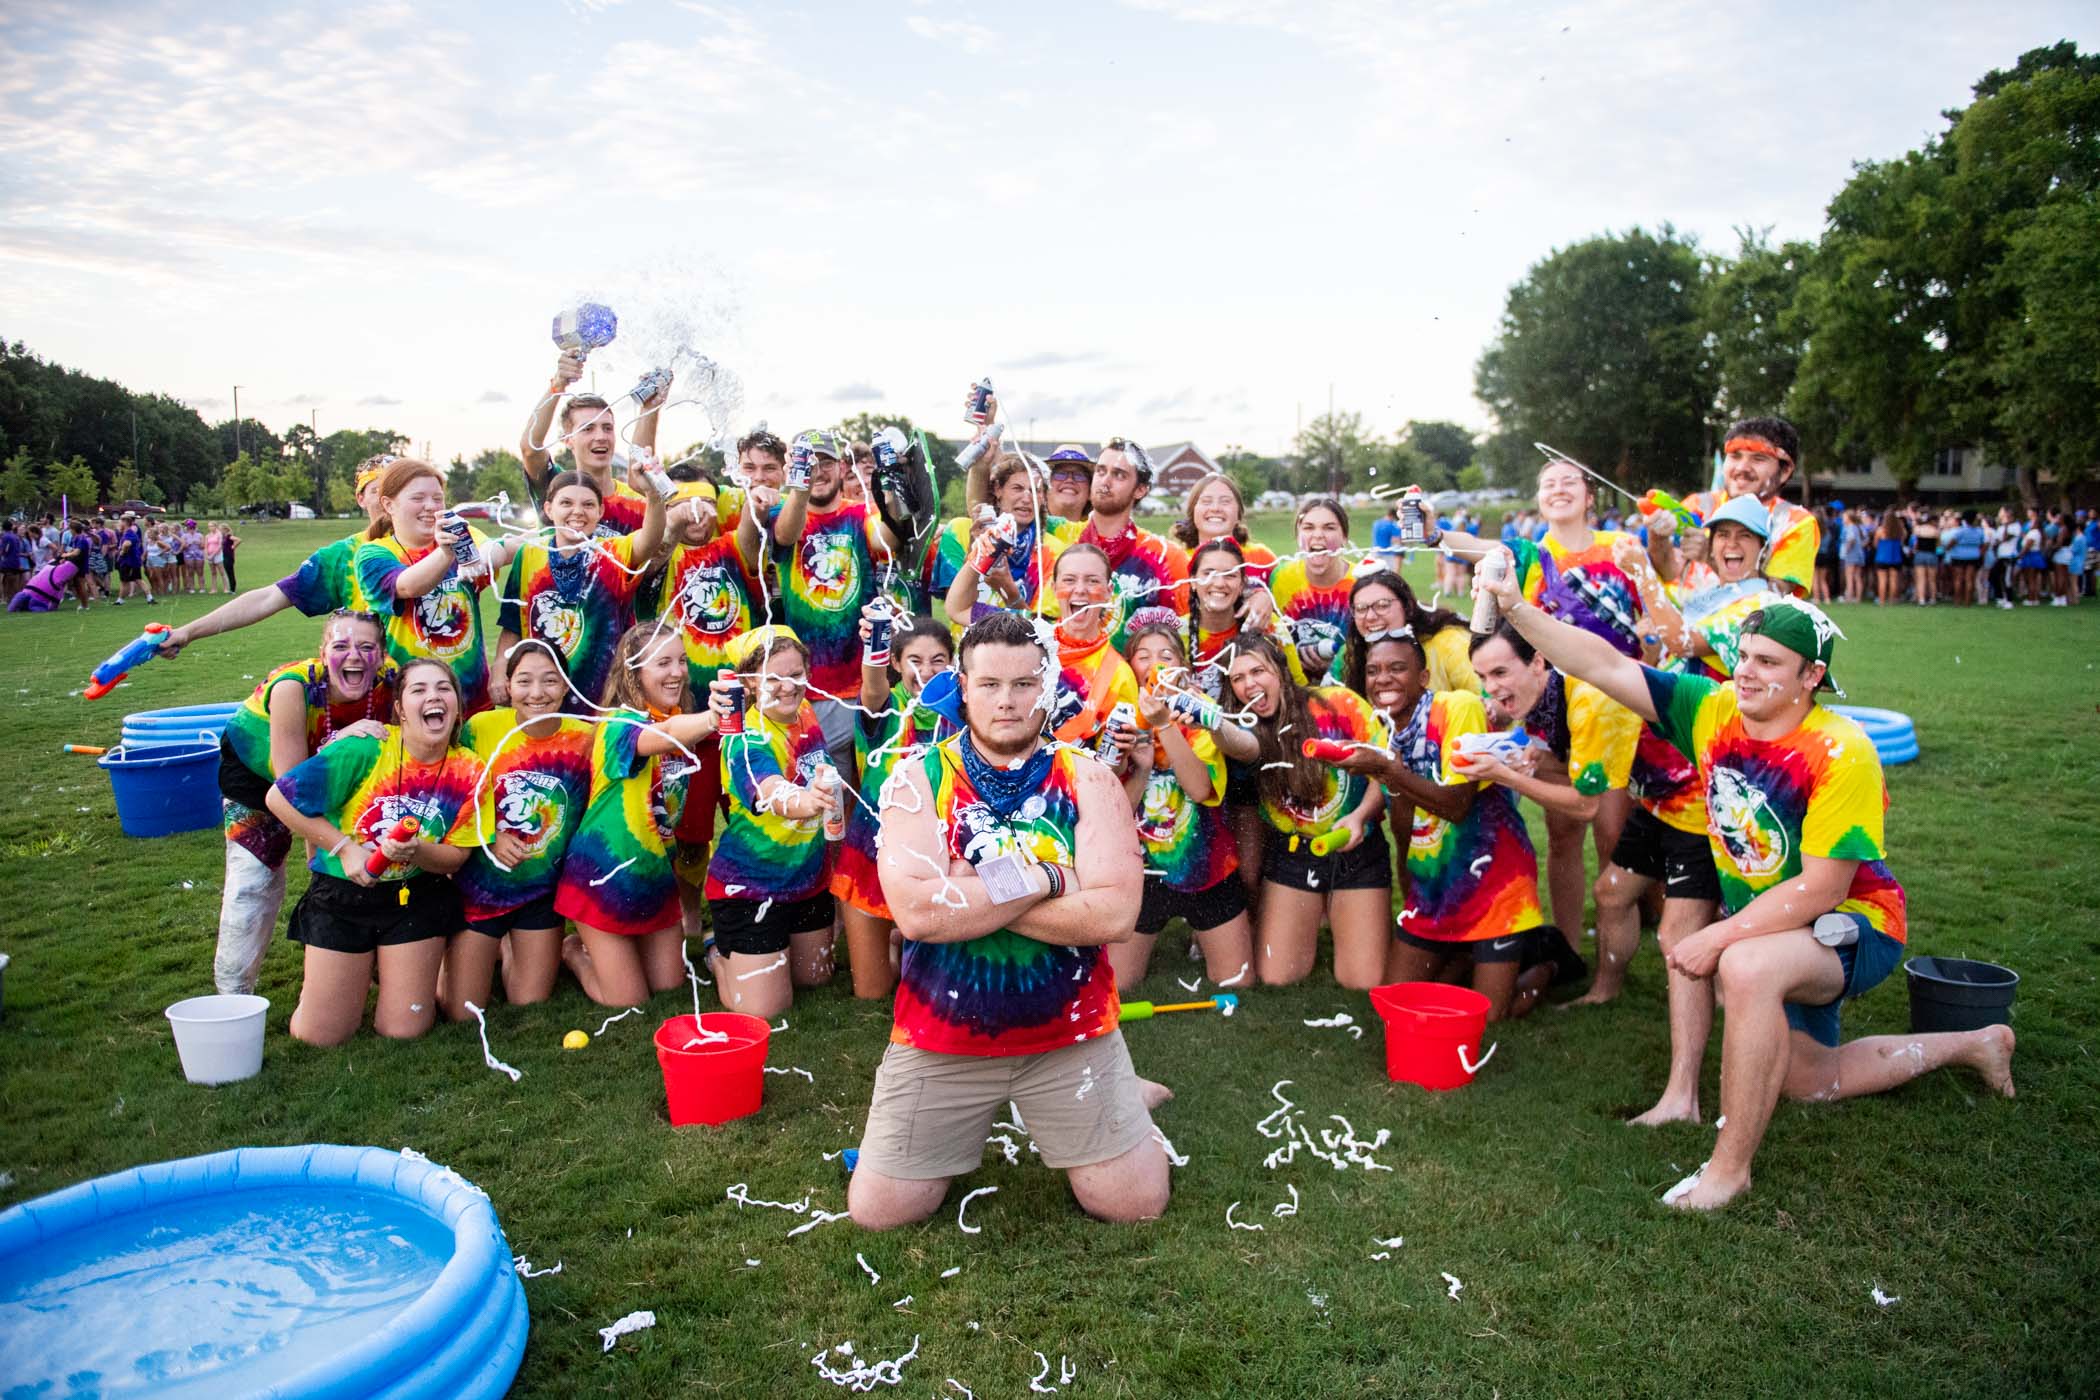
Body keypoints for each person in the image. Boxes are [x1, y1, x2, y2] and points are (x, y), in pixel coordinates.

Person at [1479, 579, 2016, 1209]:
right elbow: (1601, 662)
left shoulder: (1841, 751)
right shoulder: (1711, 709)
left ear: (1812, 675)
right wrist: (1516, 609)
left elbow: (1823, 886)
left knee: (1745, 966)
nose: (1748, 673)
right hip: (1781, 924)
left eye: (1768, 662)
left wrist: (1720, 933)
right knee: (1810, 1080)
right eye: (1743, 655)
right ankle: (1977, 1044)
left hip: (1857, 922)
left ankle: (1729, 1170)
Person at [849, 610, 1165, 1230]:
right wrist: (1048, 878)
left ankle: (1130, 1095)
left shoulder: (1090, 778)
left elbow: (1116, 913)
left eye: (1024, 684)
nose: (1007, 701)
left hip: (1069, 1034)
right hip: (943, 1034)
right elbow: (916, 914)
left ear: (1045, 688)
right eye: (990, 685)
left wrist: (971, 890)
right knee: (880, 1214)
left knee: (1133, 1205)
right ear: (962, 687)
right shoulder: (918, 777)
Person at [1577, 497, 1782, 1014]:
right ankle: (1606, 991)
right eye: (1723, 536)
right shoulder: (1715, 593)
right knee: (1611, 893)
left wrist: (1642, 570)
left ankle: (1712, 1034)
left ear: (1764, 548)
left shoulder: (1754, 607)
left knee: (1679, 934)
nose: (1731, 546)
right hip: (1664, 786)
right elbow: (1666, 637)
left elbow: (1678, 636)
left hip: (1703, 795)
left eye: (1744, 537)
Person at [264, 659, 483, 1045]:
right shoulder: (365, 749)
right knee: (319, 1036)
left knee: (404, 1029)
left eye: (443, 689)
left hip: (415, 898)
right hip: (342, 895)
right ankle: (354, 972)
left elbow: (457, 857)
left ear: (458, 705)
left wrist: (414, 852)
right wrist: (345, 848)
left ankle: (398, 970)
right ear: (399, 708)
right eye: (418, 690)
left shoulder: (470, 769)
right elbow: (279, 798)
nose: (433, 696)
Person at [1339, 630, 1549, 1019]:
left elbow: (1456, 805)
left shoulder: (1459, 707)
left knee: (1487, 1018)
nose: (1383, 678)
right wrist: (1416, 896)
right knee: (1395, 1005)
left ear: (1423, 678)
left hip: (1495, 885)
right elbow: (1404, 831)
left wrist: (1387, 771)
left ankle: (1547, 966)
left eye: (1397, 668)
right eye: (1374, 671)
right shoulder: (1385, 735)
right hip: (1436, 889)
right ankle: (1467, 957)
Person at [213, 611, 396, 995]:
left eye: (366, 648)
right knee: (255, 880)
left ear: (380, 655)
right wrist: (343, 735)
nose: (354, 657)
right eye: (341, 646)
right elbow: (292, 786)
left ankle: (364, 953)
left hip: (338, 771)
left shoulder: (390, 681)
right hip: (258, 775)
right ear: (322, 652)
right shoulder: (293, 687)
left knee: (346, 860)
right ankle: (233, 994)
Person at [556, 626, 722, 1007]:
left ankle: (618, 949)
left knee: (668, 987)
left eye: (681, 661)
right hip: (603, 880)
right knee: (628, 1000)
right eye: (663, 662)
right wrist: (713, 718)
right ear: (633, 672)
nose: (677, 672)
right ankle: (574, 952)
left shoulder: (679, 716)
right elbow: (664, 734)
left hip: (653, 879)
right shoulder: (619, 723)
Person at [1466, 621, 1639, 969]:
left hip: (1649, 766)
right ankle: (1568, 952)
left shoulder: (1586, 696)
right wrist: (1530, 754)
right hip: (1585, 745)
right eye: (1483, 677)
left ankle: (1608, 983)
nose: (1491, 688)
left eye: (1500, 672)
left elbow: (1585, 805)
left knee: (1613, 863)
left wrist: (1504, 774)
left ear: (1538, 662)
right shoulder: (1534, 690)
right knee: (1561, 837)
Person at [1227, 634, 1392, 987]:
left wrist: (1362, 815)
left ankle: (1340, 914)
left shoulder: (1337, 704)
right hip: (1294, 855)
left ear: (1281, 671)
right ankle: (1312, 914)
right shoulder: (1243, 729)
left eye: (1258, 671)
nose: (1249, 684)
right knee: (1276, 978)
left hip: (1356, 849)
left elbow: (1386, 765)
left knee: (1361, 981)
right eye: (1237, 678)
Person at [700, 626, 848, 1016]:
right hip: (751, 886)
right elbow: (770, 791)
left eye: (796, 675)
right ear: (749, 682)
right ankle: (718, 953)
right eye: (774, 678)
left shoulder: (805, 713)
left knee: (816, 978)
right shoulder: (743, 736)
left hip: (807, 880)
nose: (788, 686)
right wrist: (808, 800)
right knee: (766, 1009)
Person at [445, 643, 594, 1018]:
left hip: (540, 893)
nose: (537, 693)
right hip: (478, 890)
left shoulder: (585, 738)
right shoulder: (480, 729)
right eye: (524, 681)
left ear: (565, 686)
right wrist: (489, 834)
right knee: (459, 1011)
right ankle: (481, 949)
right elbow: (446, 790)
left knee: (529, 1002)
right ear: (508, 686)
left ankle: (537, 946)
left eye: (549, 681)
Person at [1120, 621, 1260, 988]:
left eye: (1166, 656)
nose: (1156, 666)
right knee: (1119, 984)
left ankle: (1203, 932)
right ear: (1128, 665)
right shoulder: (1117, 714)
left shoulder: (1202, 711)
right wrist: (1143, 767)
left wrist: (1165, 725)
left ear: (1183, 667)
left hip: (1205, 867)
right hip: (1141, 875)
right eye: (1143, 656)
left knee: (1236, 981)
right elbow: (1115, 812)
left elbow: (1199, 790)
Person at [752, 429, 900, 773]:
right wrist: (798, 485)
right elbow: (785, 535)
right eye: (810, 463)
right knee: (815, 784)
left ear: (842, 465)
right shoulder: (783, 512)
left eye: (827, 462)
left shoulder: (859, 514)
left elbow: (887, 538)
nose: (818, 470)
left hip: (860, 680)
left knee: (859, 785)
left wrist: (891, 482)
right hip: (805, 684)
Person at [834, 610, 960, 1000]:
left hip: (937, 863)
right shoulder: (885, 708)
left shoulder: (963, 716)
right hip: (871, 856)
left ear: (952, 664)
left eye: (938, 660)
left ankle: (906, 936)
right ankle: (893, 940)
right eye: (915, 661)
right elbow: (872, 687)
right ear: (895, 663)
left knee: (936, 993)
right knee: (873, 992)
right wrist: (873, 646)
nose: (926, 670)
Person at [155, 455, 393, 658]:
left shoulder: (432, 548)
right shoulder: (344, 556)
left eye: (397, 490)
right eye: (377, 491)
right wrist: (189, 631)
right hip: (376, 690)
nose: (388, 500)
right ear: (360, 498)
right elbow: (269, 598)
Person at [356, 458, 521, 715]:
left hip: (472, 704)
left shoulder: (462, 533)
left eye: (437, 498)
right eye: (418, 498)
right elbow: (408, 586)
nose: (430, 507)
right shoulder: (373, 554)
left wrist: (491, 552)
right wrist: (447, 553)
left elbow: (510, 547)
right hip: (407, 707)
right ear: (389, 504)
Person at [493, 468, 667, 709]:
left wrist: (653, 495)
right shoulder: (529, 554)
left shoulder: (612, 553)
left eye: (587, 504)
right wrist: (499, 670)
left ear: (600, 512)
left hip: (605, 697)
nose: (577, 511)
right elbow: (512, 624)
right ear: (548, 509)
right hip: (541, 696)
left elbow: (651, 538)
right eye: (566, 503)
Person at [1049, 438, 1189, 652]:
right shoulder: (1060, 541)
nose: (1105, 482)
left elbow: (1186, 638)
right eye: (1101, 471)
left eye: (1119, 475)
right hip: (1065, 678)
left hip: (1129, 682)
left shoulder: (1165, 558)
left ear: (1140, 489)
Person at [1681, 418, 1820, 598]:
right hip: (1683, 623)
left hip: (1746, 626)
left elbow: (1775, 599)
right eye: (1735, 456)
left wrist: (1711, 556)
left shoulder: (1795, 523)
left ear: (1785, 471)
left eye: (1758, 458)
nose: (1742, 468)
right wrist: (1657, 539)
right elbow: (1666, 571)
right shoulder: (1697, 506)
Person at [519, 349, 651, 536]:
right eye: (588, 429)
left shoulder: (638, 501)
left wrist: (650, 407)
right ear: (567, 439)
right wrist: (558, 384)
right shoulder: (557, 488)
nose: (600, 436)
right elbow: (530, 449)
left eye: (607, 428)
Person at [937, 451, 1062, 627]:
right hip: (966, 649)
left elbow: (1041, 630)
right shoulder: (959, 531)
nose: (1027, 498)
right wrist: (976, 549)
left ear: (1043, 498)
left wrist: (1008, 590)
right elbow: (958, 607)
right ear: (998, 489)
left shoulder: (1054, 553)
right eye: (1017, 488)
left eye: (1036, 491)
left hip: (1020, 652)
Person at [1044, 543, 1141, 747]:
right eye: (1069, 580)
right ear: (1054, 588)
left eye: (1092, 581)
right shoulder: (1029, 640)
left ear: (1108, 592)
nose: (1079, 590)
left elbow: (1111, 768)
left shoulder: (1119, 675)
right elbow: (959, 610)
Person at [1340, 567, 1476, 697]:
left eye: (1382, 605)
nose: (1370, 617)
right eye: (1361, 608)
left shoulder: (1450, 643)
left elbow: (1486, 698)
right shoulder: (1354, 652)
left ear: (1407, 606)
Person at [1266, 497, 1355, 685]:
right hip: (1293, 690)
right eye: (1308, 527)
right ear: (1298, 536)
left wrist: (1337, 665)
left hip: (1348, 690)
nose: (1318, 535)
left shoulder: (1362, 582)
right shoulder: (1281, 578)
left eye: (1329, 527)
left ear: (1344, 537)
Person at [1170, 473, 1277, 585]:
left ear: (1239, 513)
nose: (1215, 508)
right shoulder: (1176, 561)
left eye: (1225, 501)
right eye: (1206, 501)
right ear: (1192, 512)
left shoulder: (1261, 558)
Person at [112, 512, 153, 605]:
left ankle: (120, 600)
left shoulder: (129, 533)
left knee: (124, 581)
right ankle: (150, 598)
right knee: (138, 579)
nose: (119, 524)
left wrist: (122, 552)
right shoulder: (127, 532)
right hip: (134, 560)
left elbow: (127, 544)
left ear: (125, 522)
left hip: (128, 561)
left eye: (120, 522)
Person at [1873, 507, 1906, 606]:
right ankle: (1892, 600)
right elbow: (1902, 542)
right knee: (1894, 580)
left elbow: (1875, 544)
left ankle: (1882, 601)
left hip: (1882, 557)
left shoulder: (1880, 530)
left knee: (1882, 580)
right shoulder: (1900, 531)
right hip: (1895, 557)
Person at [0, 519, 25, 604]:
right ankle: (14, 599)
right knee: (14, 582)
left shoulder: (5, 537)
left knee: (6, 581)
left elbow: (5, 550)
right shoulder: (16, 537)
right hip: (16, 561)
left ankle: (8, 599)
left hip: (7, 562)